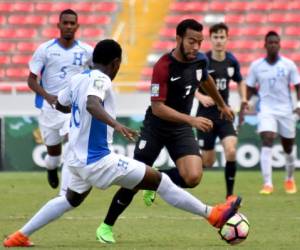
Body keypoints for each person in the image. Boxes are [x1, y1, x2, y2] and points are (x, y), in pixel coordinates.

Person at [3, 39, 242, 248]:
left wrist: (58, 101)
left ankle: (19, 236)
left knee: (69, 199)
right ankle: (213, 215)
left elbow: (62, 104)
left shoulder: (78, 79)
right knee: (160, 181)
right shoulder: (102, 80)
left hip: (75, 160)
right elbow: (93, 104)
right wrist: (116, 125)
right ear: (116, 63)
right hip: (98, 160)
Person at [96, 19, 235, 244]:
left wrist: (221, 104)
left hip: (180, 128)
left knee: (193, 176)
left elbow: (206, 79)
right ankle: (106, 226)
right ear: (178, 39)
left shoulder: (199, 61)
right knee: (134, 179)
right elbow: (159, 108)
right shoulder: (163, 66)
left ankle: (155, 181)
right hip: (156, 126)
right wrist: (192, 119)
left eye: (200, 42)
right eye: (191, 41)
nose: (196, 47)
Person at [27, 9, 93, 193]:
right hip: (49, 110)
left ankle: (66, 192)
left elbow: (98, 74)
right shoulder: (45, 49)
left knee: (73, 144)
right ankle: (51, 169)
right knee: (53, 155)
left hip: (72, 109)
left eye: (72, 23)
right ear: (59, 25)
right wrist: (48, 97)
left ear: (77, 26)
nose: (69, 26)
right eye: (66, 23)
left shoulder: (87, 51)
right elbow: (31, 80)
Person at [194, 23, 248, 199]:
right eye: (215, 37)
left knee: (231, 150)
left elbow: (240, 81)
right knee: (208, 162)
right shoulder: (203, 60)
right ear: (210, 39)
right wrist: (201, 97)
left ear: (227, 39)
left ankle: (230, 196)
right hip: (205, 115)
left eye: (222, 37)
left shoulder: (231, 61)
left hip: (224, 114)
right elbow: (190, 82)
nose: (219, 41)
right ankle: (173, 172)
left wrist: (244, 99)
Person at [246, 31, 300, 195]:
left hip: (285, 110)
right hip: (266, 110)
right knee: (268, 138)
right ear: (265, 45)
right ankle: (267, 183)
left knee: (288, 147)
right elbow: (249, 87)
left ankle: (289, 179)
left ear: (280, 44)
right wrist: (247, 102)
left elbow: (298, 87)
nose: (273, 45)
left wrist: (298, 104)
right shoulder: (256, 66)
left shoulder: (289, 65)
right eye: (270, 42)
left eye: (276, 42)